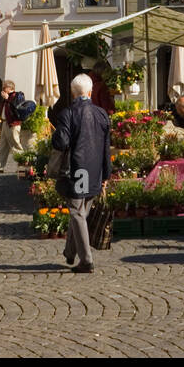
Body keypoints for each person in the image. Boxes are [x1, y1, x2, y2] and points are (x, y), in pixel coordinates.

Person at [51, 74, 111, 274]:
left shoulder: (69, 113)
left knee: (77, 213)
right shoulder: (101, 113)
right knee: (81, 212)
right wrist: (106, 176)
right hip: (95, 170)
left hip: (78, 169)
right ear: (90, 92)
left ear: (72, 92)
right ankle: (70, 251)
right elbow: (106, 148)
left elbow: (61, 143)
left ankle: (86, 260)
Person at [0, 80, 32, 174]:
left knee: (15, 145)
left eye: (5, 87)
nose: (3, 88)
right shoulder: (7, 97)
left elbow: (16, 108)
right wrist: (6, 99)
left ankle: (24, 166)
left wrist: (7, 98)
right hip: (5, 123)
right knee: (3, 147)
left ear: (10, 88)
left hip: (13, 124)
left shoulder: (16, 96)